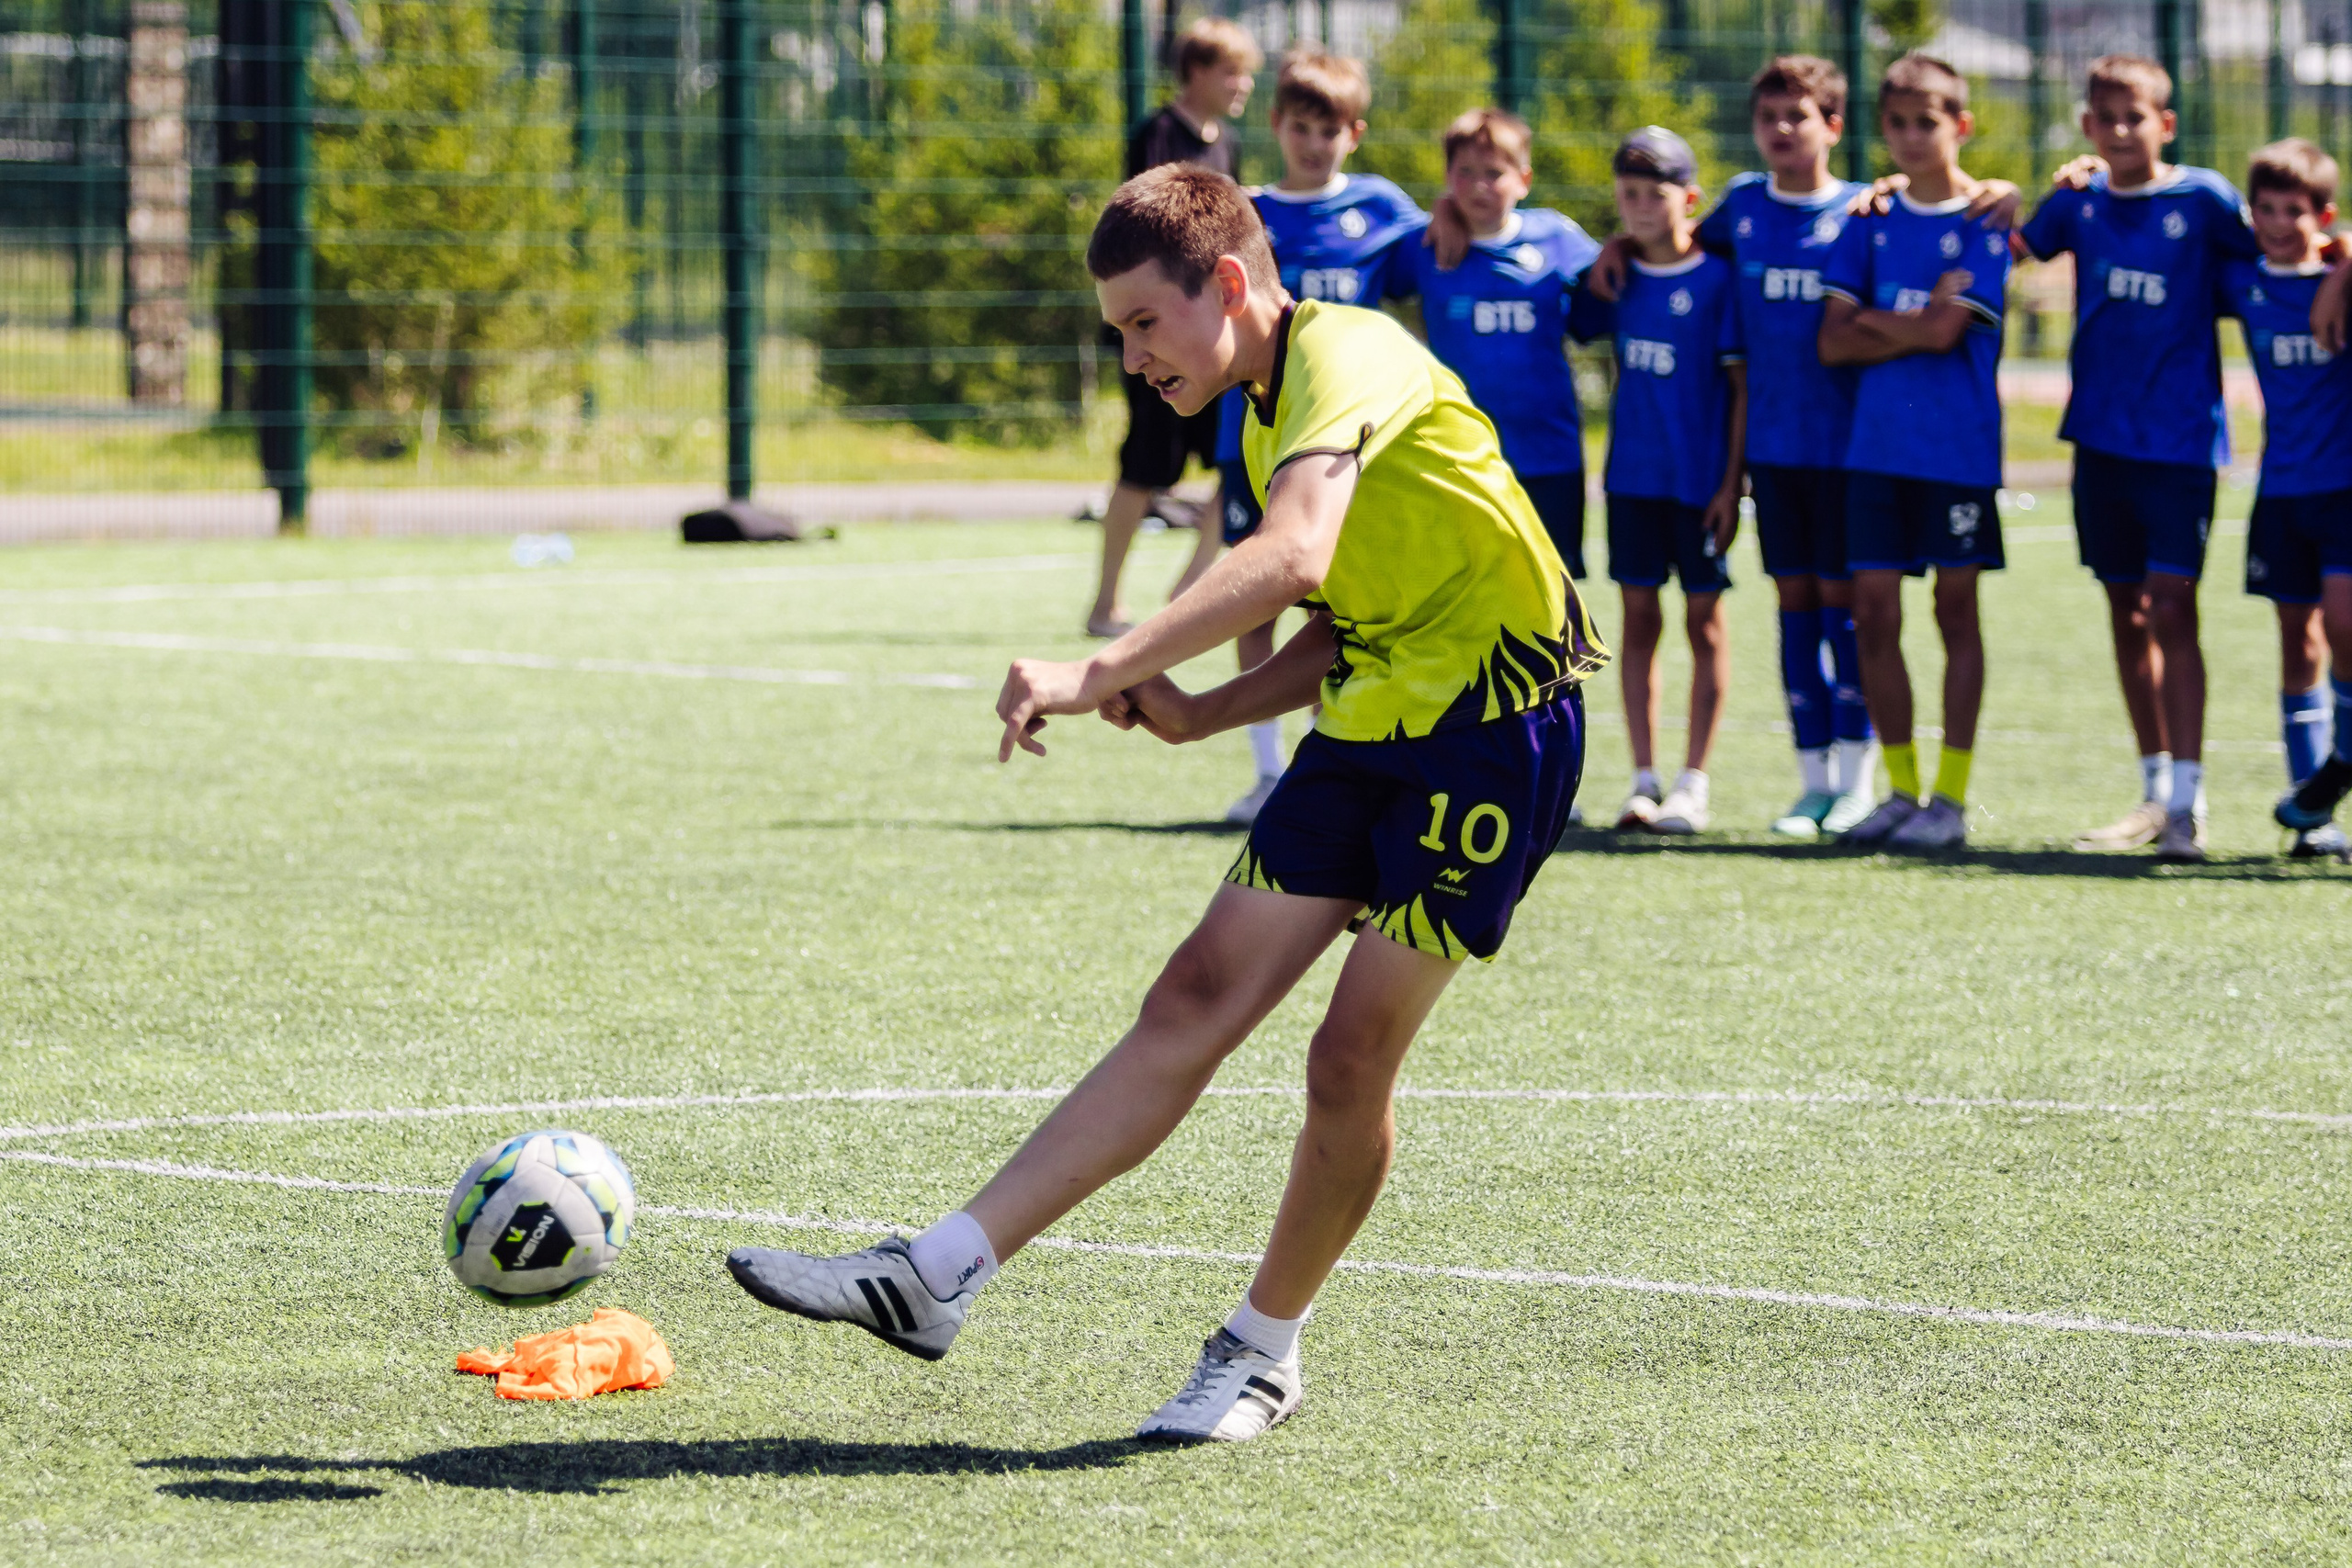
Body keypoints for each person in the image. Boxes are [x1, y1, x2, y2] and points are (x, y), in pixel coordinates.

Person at [726, 164, 1607, 1444]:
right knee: (1193, 994)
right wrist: (1195, 711)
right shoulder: (1257, 415)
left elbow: (1293, 553)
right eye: (1117, 333)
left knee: (1346, 1055)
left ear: (1231, 283)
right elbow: (1345, 619)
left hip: (1494, 737)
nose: (1132, 357)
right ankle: (935, 1273)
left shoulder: (1347, 352)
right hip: (1369, 728)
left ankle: (1261, 1351)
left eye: (1145, 323)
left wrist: (1105, 664)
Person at [2016, 55, 2261, 862]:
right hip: (2099, 441)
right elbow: (2021, 244)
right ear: (2086, 126)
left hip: (2181, 442)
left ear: (2166, 123)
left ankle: (2188, 803)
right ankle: (2154, 793)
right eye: (2105, 117)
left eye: (2136, 117)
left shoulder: (2205, 200)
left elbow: (2269, 259)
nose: (2121, 131)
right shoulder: (2078, 203)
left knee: (2172, 609)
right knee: (2124, 614)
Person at [1200, 47, 1422, 826]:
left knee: (1345, 609)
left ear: (1353, 133)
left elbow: (1446, 255)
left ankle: (1339, 758)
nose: (1314, 142)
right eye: (1301, 126)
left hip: (1338, 451)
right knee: (1253, 603)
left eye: (1330, 128)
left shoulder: (1386, 211)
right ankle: (1267, 773)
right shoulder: (1243, 210)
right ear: (1276, 125)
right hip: (1252, 440)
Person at [1817, 52, 2011, 852]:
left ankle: (1951, 798)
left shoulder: (1989, 218)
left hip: (1956, 454)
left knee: (1954, 612)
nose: (1906, 137)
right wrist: (1917, 324)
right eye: (1894, 122)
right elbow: (1832, 341)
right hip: (1875, 452)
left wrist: (1886, 325)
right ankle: (1899, 790)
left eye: (1924, 122)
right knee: (1873, 614)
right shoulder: (1870, 219)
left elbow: (1944, 333)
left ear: (1959, 125)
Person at [1565, 127, 1747, 835]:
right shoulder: (1614, 276)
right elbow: (1576, 320)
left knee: (1705, 621)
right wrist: (1604, 259)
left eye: (1656, 193)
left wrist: (1733, 484)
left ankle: (1693, 782)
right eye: (1628, 195)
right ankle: (1643, 779)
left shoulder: (1718, 277)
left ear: (1690, 198)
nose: (1640, 207)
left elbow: (1739, 390)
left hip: (1701, 483)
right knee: (1637, 620)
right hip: (1632, 480)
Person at [1088, 16, 1262, 639]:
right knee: (1145, 463)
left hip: (1216, 337)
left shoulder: (1230, 143)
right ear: (1195, 71)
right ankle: (1104, 602)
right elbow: (1159, 225)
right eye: (1231, 71)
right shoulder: (1158, 135)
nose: (1243, 84)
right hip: (1165, 335)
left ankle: (1186, 596)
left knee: (1238, 459)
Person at [1385, 107, 1600, 579]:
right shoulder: (1426, 246)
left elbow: (1615, 281)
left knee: (1553, 595)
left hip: (1548, 453)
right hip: (1456, 455)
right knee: (1460, 589)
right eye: (1465, 173)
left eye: (1494, 173)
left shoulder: (1557, 236)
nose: (1479, 186)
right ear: (1447, 177)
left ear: (1524, 178)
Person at [2226, 141, 2352, 855]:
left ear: (2322, 214)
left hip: (2342, 488)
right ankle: (2315, 815)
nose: (2278, 223)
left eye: (2294, 211)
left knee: (2344, 626)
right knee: (2295, 642)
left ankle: (2341, 764)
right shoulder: (2240, 281)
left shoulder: (2339, 277)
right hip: (2280, 489)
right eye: (2265, 210)